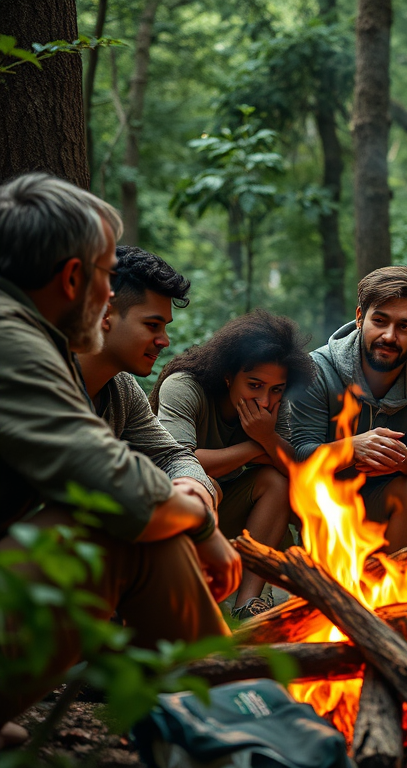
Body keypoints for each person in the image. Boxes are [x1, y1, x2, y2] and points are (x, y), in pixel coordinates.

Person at [0, 173, 238, 740]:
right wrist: (202, 520)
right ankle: (241, 720)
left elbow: (165, 457)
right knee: (114, 529)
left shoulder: (55, 351)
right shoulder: (13, 343)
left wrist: (190, 491)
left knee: (142, 519)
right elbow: (120, 488)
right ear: (75, 277)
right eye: (108, 277)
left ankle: (233, 710)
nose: (110, 293)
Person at [150, 310, 315, 620]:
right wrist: (256, 445)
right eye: (254, 385)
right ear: (228, 375)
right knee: (204, 484)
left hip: (231, 513)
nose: (265, 401)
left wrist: (267, 438)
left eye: (276, 389)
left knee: (275, 482)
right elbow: (176, 460)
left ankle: (248, 603)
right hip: (171, 509)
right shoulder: (184, 386)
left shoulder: (274, 403)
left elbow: (296, 470)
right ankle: (192, 603)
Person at [290, 265, 407, 555]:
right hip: (324, 500)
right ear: (360, 318)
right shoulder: (316, 369)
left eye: (404, 326)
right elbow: (298, 454)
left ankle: (394, 592)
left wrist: (404, 460)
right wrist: (353, 448)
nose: (389, 335)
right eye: (380, 321)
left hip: (386, 501)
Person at [77, 246, 217, 511]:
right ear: (105, 313)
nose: (164, 341)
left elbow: (170, 454)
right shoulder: (44, 376)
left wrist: (193, 487)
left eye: (165, 327)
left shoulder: (122, 387)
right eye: (152, 325)